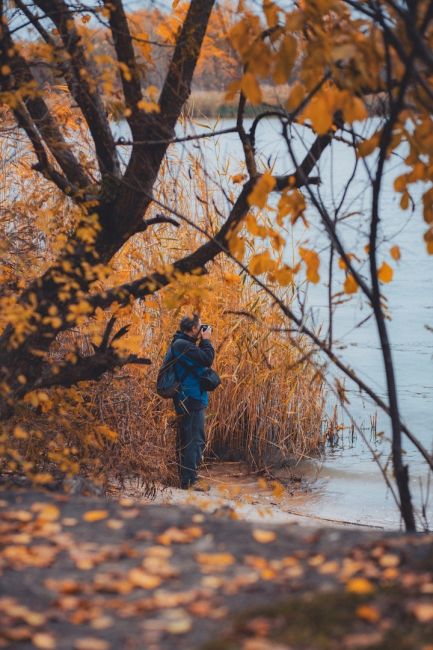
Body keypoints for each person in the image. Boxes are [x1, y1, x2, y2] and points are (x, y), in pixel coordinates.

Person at [170, 314, 215, 490]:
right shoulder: (182, 345)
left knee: (188, 437)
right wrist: (206, 340)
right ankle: (190, 481)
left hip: (189, 397)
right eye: (200, 326)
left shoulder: (183, 344)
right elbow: (207, 358)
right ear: (193, 329)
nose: (203, 328)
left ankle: (185, 478)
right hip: (191, 398)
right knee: (195, 439)